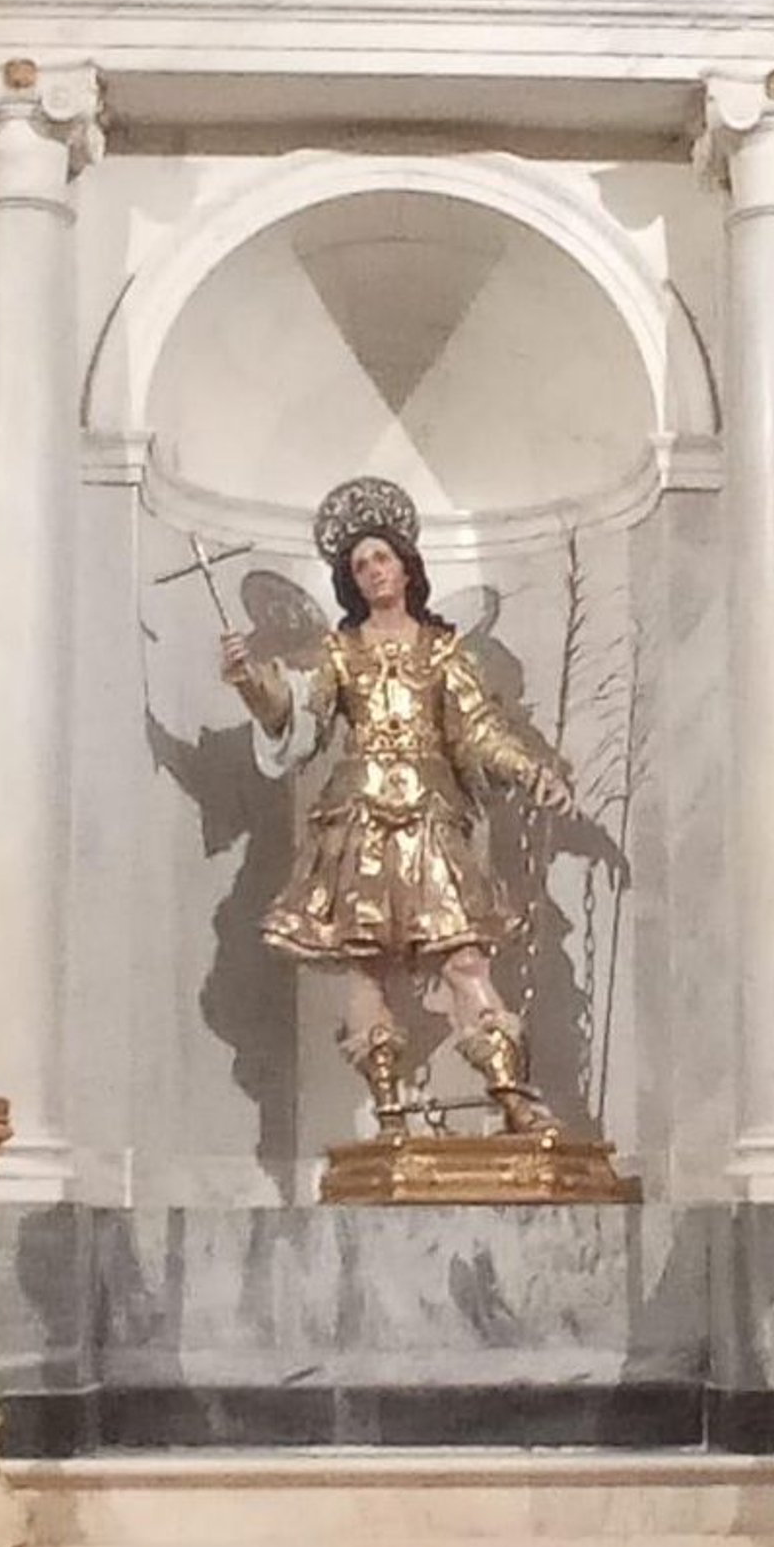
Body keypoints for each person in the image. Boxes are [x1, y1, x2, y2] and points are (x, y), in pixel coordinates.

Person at [221, 476, 572, 1137]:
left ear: (406, 567)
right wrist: (248, 681)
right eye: (359, 565)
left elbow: (479, 730)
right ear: (350, 582)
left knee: (465, 957)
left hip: (431, 820)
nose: (373, 571)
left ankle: (513, 1097)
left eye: (381, 558)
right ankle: (388, 1114)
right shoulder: (339, 653)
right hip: (358, 820)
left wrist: (533, 770)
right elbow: (297, 716)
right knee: (367, 967)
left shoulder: (442, 650)